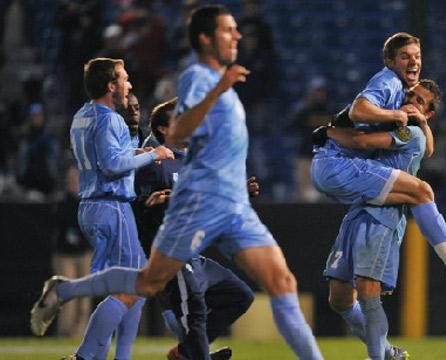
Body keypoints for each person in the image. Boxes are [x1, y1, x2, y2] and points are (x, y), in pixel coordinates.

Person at [31, 6, 323, 360]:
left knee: (277, 284)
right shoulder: (198, 81)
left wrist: (235, 186)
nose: (238, 36)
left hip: (222, 208)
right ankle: (72, 309)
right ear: (204, 38)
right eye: (228, 30)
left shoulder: (90, 115)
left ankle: (163, 348)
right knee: (143, 287)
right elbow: (177, 134)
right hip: (141, 209)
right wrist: (156, 157)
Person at [311, 32, 446, 290]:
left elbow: (428, 149)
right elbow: (358, 113)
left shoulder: (406, 106)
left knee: (343, 297)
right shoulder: (388, 82)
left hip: (358, 179)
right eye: (405, 56)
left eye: (417, 56)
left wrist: (417, 121)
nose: (414, 62)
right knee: (421, 191)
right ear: (389, 61)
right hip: (344, 166)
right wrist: (395, 115)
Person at [30, 57, 174, 360]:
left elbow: (102, 159)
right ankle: (71, 314)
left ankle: (102, 355)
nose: (129, 84)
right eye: (124, 78)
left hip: (92, 206)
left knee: (124, 289)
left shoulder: (82, 115)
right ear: (111, 86)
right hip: (112, 206)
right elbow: (112, 166)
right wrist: (153, 154)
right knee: (133, 287)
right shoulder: (110, 118)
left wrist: (138, 152)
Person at [324, 79, 440, 360]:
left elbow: (363, 140)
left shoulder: (411, 131)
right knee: (339, 298)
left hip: (382, 214)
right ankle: (387, 351)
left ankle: (377, 356)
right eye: (410, 94)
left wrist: (331, 133)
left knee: (368, 292)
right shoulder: (391, 120)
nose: (411, 100)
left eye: (419, 101)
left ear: (428, 114)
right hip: (358, 210)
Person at [135, 98, 255, 360]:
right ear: (164, 130)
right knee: (196, 313)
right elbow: (143, 209)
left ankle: (188, 352)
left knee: (240, 296)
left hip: (193, 254)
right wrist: (154, 206)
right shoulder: (154, 163)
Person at [51, 165, 92, 338]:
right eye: (72, 180)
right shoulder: (62, 203)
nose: (75, 183)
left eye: (78, 180)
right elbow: (57, 228)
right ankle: (64, 335)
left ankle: (78, 337)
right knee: (69, 299)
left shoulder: (89, 201)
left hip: (85, 255)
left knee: (84, 301)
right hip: (65, 255)